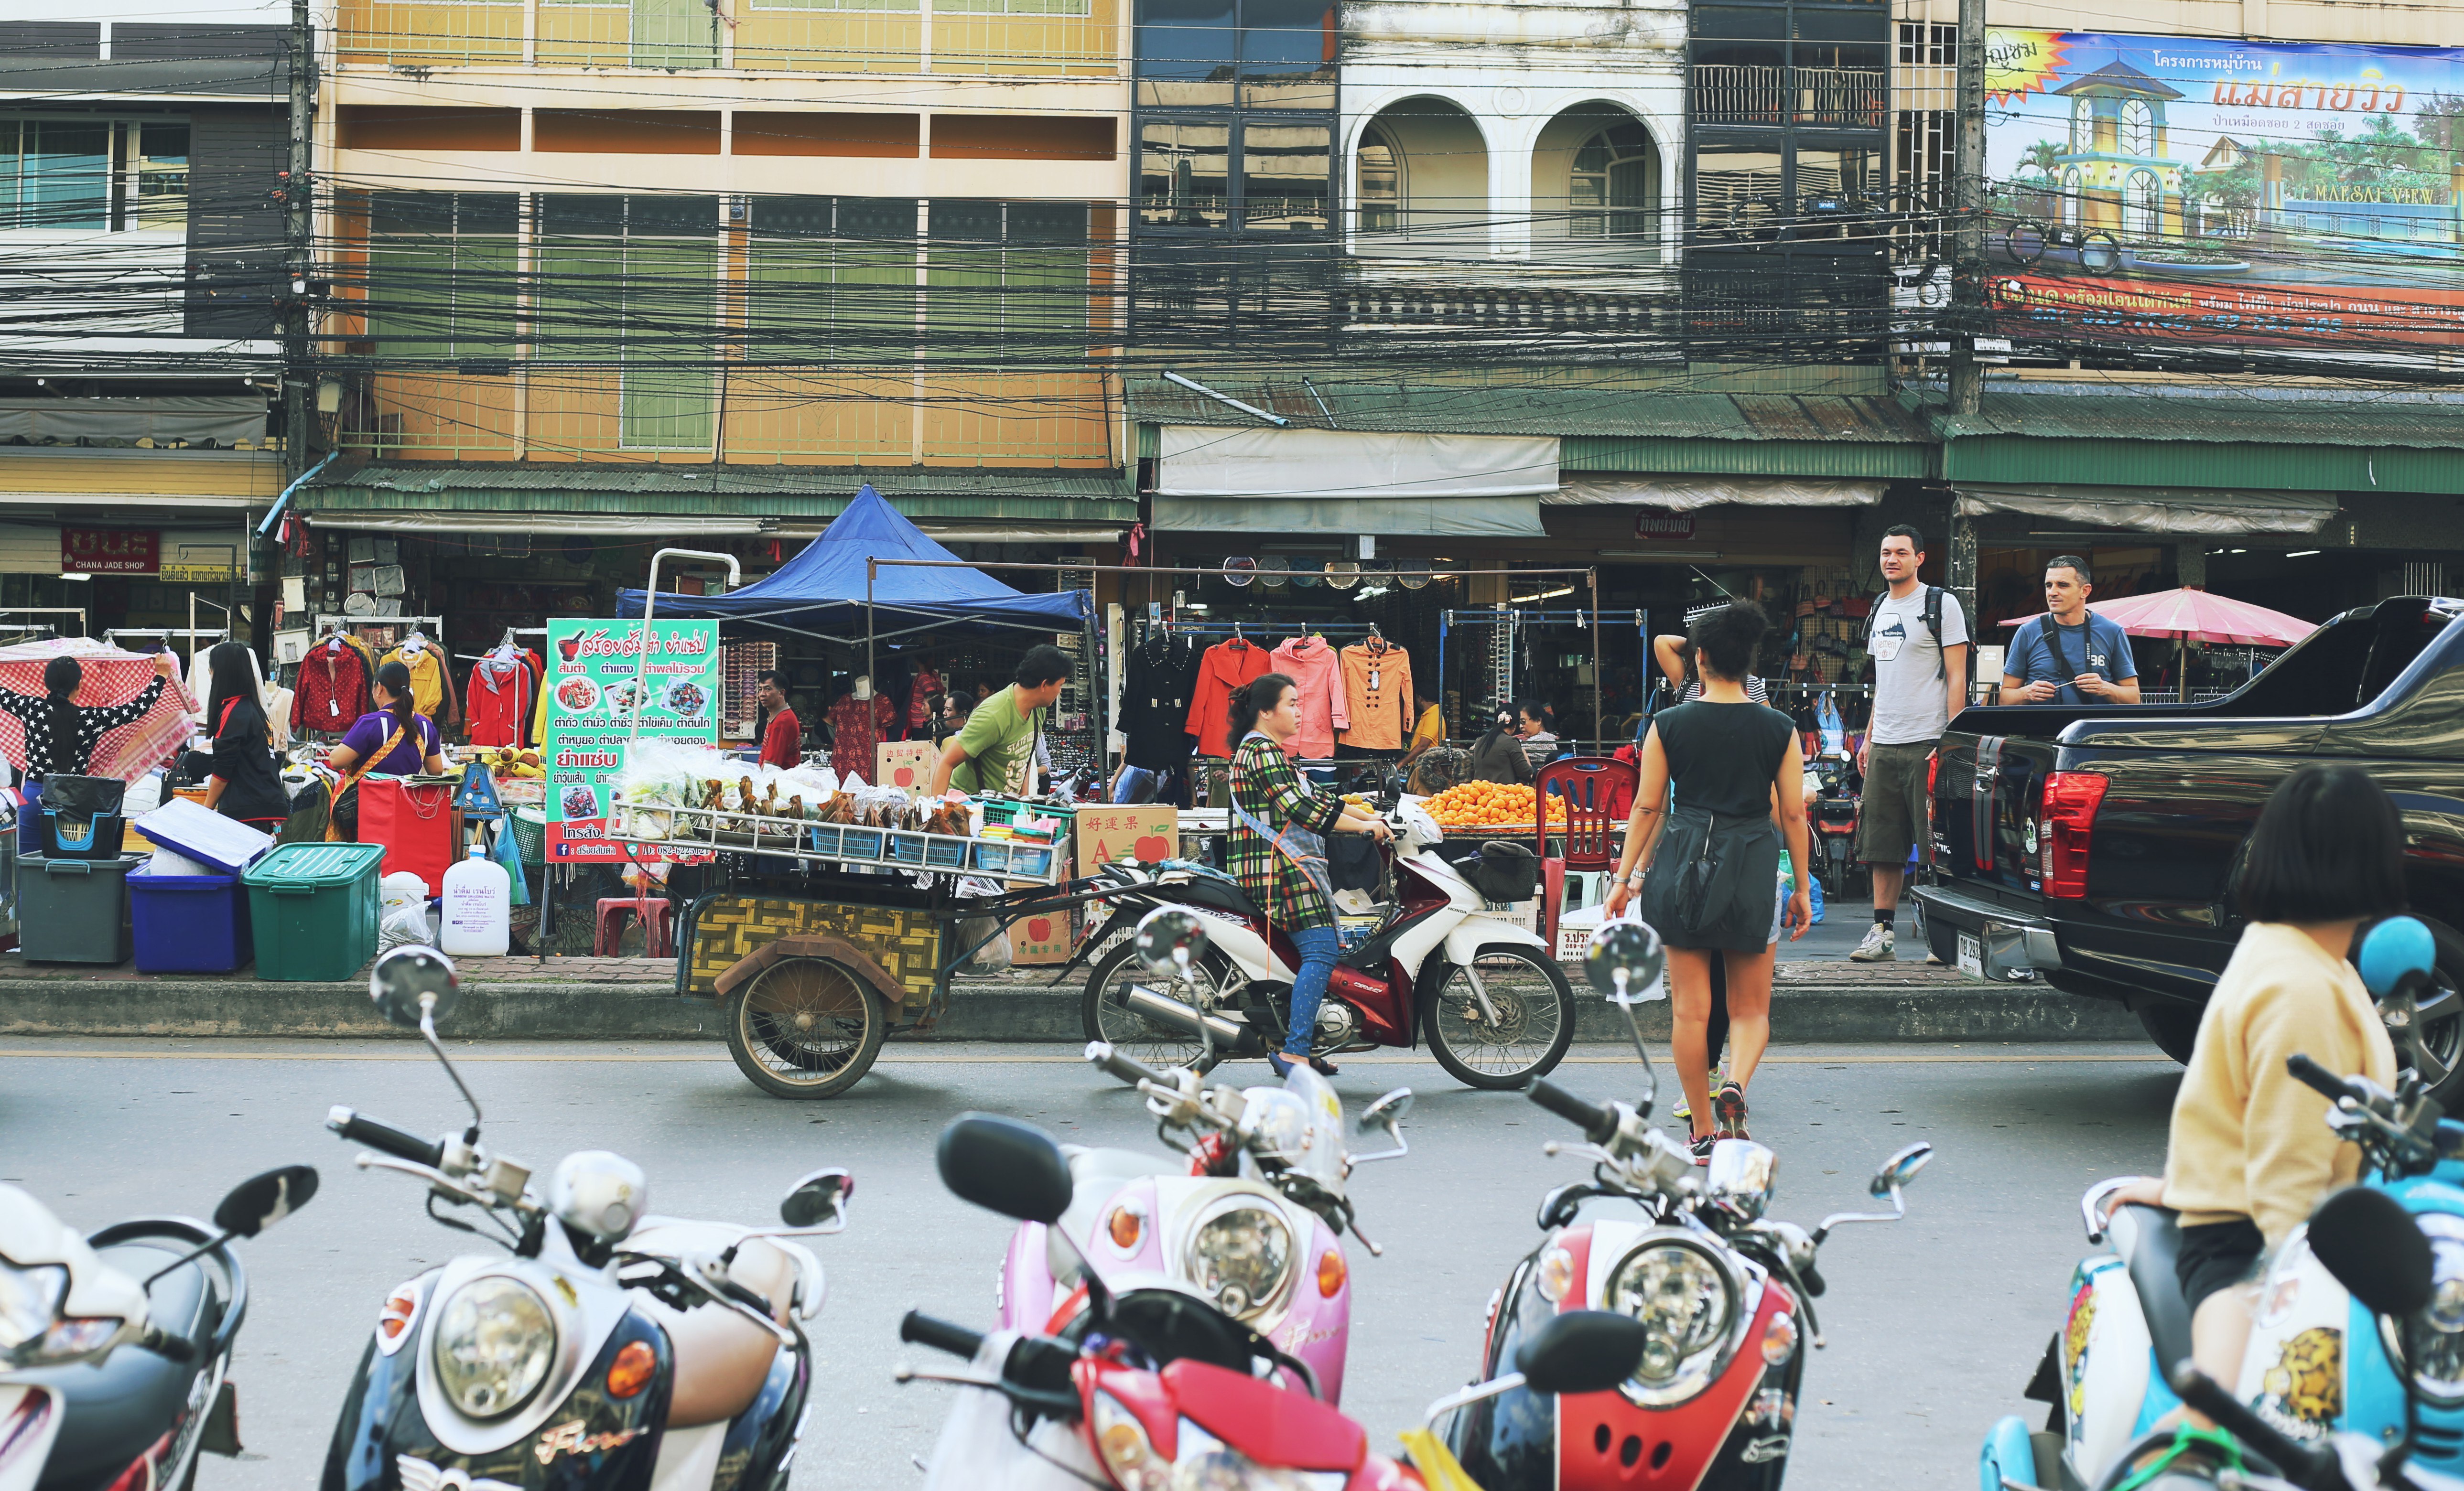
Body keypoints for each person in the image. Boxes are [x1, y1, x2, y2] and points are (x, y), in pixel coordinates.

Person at [2104, 763, 2401, 1420]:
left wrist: (2188, 1182)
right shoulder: (2300, 986)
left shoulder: (2305, 958)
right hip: (2260, 1247)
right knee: (2232, 1429)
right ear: (2369, 859)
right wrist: (2299, 1287)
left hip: (2295, 1224)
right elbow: (2287, 1168)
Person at [1604, 601, 1811, 1159]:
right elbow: (1792, 814)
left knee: (1690, 1012)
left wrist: (1624, 878)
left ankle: (1700, 1131)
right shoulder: (1779, 727)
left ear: (1698, 659)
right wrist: (1801, 887)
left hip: (1681, 865)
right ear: (1749, 663)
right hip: (1751, 865)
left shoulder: (1667, 724)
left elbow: (1648, 808)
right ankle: (1735, 1084)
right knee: (1749, 1010)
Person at [1223, 672, 1394, 1077]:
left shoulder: (1269, 752)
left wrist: (1372, 817)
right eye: (1292, 704)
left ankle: (1309, 1041)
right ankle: (1296, 1051)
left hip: (1284, 865)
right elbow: (1304, 809)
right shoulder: (1260, 752)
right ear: (1266, 712)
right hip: (1277, 870)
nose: (1300, 711)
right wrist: (1364, 828)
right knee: (1321, 951)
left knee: (1314, 953)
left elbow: (1320, 797)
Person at [1852, 525, 1969, 962]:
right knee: (1882, 844)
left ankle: (1943, 936)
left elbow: (1957, 675)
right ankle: (1882, 931)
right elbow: (1884, 682)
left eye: (1902, 552)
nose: (1892, 559)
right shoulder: (1880, 606)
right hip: (1885, 741)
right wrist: (1868, 739)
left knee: (1933, 843)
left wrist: (1951, 739)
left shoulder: (1942, 604)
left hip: (1928, 740)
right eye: (1886, 552)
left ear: (1920, 558)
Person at [0, 652, 175, 782]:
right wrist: (161, 675)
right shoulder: (91, 718)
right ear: (79, 686)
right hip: (73, 798)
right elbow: (136, 709)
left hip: (34, 795)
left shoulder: (32, 708)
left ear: (47, 684)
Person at [325, 659, 449, 838]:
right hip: (409, 812)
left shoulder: (371, 723)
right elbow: (436, 770)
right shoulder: (425, 726)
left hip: (371, 814)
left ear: (379, 688)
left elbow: (336, 761)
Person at [1999, 555, 2142, 706]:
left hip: (2092, 729)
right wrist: (2026, 693)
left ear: (2085, 591)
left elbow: (2133, 698)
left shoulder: (2112, 632)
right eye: (2049, 585)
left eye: (2062, 585)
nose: (2052, 592)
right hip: (2043, 729)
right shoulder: (2028, 633)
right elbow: (2004, 699)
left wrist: (2105, 688)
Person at [932, 645, 1070, 797]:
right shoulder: (993, 714)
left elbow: (1025, 754)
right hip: (970, 805)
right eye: (1060, 685)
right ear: (1044, 685)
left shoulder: (1038, 708)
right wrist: (938, 812)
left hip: (1003, 805)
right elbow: (946, 763)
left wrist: (1023, 800)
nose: (1060, 691)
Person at [200, 642, 289, 832]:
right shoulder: (253, 709)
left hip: (247, 809)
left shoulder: (234, 711)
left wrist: (206, 810)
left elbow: (223, 769)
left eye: (212, 670)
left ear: (222, 673)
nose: (210, 674)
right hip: (263, 805)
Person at [1653, 632, 1770, 703]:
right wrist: (1695, 647)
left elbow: (1768, 724)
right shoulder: (1687, 681)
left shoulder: (1750, 682)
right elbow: (1661, 642)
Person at [1467, 704, 1534, 784]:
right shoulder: (1511, 742)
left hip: (1480, 793)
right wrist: (1525, 756)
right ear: (1516, 725)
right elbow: (1526, 773)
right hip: (1503, 794)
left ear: (1496, 721)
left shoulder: (1480, 741)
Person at [755, 671, 802, 769]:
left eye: (768, 689)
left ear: (781, 693)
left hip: (778, 782)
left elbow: (770, 766)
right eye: (760, 689)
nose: (762, 694)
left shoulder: (782, 721)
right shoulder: (778, 717)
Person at [1514, 700, 1560, 774]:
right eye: (1520, 723)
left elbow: (1511, 749)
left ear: (1538, 721)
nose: (1521, 727)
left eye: (1523, 722)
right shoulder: (1547, 737)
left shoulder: (1541, 741)